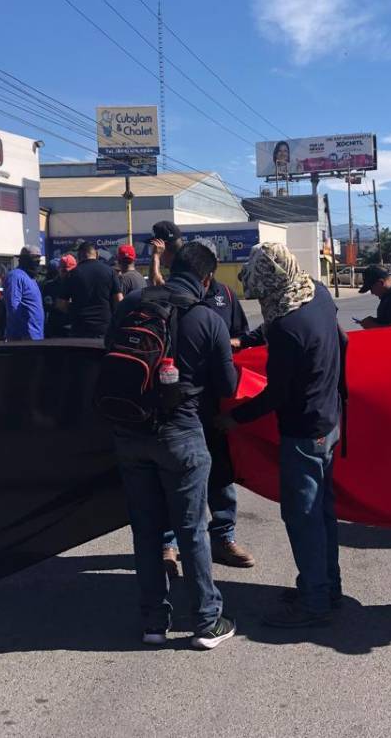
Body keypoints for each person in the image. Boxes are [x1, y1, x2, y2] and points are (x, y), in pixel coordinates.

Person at [106, 242, 238, 650]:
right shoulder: (205, 318)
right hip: (181, 433)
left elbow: (109, 356)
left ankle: (153, 623)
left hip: (130, 433)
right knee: (192, 530)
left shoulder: (130, 305)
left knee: (147, 531)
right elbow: (228, 386)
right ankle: (206, 621)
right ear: (206, 278)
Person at [218, 243, 347, 628]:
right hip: (330, 420)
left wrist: (235, 419)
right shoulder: (316, 294)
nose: (263, 298)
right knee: (322, 513)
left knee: (303, 517)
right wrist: (250, 339)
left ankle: (314, 603)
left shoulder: (290, 329)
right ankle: (326, 586)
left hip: (304, 431)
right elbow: (339, 340)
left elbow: (277, 394)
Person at [159, 244, 255, 570]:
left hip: (212, 408)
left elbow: (243, 336)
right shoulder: (158, 302)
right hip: (170, 409)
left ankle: (223, 538)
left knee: (220, 479)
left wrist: (231, 346)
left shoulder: (225, 296)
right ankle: (168, 547)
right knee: (172, 483)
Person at [62, 242, 123, 340]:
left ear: (79, 256)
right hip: (104, 327)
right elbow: (119, 300)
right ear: (97, 254)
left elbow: (61, 304)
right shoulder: (110, 271)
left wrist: (73, 312)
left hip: (80, 328)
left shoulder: (72, 274)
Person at [4, 247, 45, 341]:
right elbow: (13, 307)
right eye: (34, 259)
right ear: (24, 260)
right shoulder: (15, 276)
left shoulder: (31, 278)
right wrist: (22, 334)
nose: (37, 263)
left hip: (36, 335)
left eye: (39, 260)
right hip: (23, 337)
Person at [148, 220, 183, 286]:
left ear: (163, 248)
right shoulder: (183, 267)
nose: (153, 251)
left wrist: (156, 256)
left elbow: (155, 286)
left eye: (155, 248)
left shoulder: (181, 273)